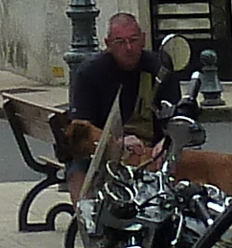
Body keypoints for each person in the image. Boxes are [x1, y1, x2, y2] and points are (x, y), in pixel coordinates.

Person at [66, 12, 179, 189]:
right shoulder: (89, 72)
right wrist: (115, 141)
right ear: (108, 44)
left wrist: (167, 142)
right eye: (120, 42)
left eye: (133, 40)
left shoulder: (160, 67)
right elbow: (81, 125)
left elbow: (177, 114)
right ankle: (84, 215)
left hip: (152, 151)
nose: (128, 48)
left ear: (143, 39)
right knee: (79, 170)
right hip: (102, 152)